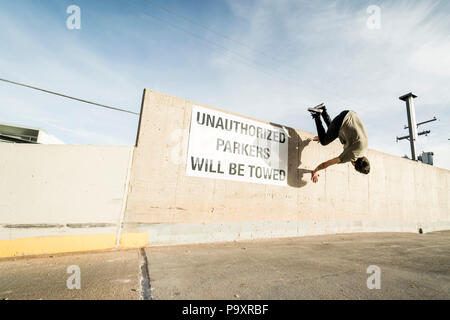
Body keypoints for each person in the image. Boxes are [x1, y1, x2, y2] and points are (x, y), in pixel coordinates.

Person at [307, 103, 370, 183]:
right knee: (324, 141)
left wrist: (325, 136)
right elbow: (326, 164)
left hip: (349, 114)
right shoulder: (352, 155)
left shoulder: (363, 149)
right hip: (342, 121)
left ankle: (323, 110)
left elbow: (335, 132)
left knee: (334, 135)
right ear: (355, 165)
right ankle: (316, 114)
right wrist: (315, 171)